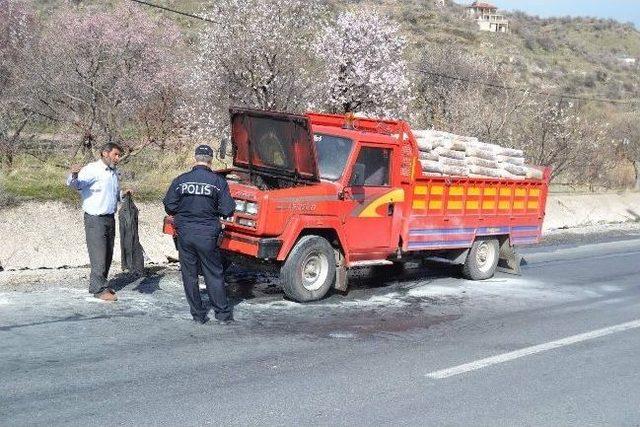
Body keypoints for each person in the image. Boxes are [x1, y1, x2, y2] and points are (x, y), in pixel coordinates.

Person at [163, 144, 235, 324]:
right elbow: (227, 209)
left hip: (185, 234)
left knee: (189, 275)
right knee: (213, 273)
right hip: (207, 234)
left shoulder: (181, 180)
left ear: (195, 158)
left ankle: (198, 315)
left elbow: (169, 206)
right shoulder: (218, 182)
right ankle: (222, 315)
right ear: (210, 160)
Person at [67, 142, 129, 302]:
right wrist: (74, 175)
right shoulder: (92, 169)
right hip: (95, 219)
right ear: (105, 153)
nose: (118, 158)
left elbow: (113, 195)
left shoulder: (113, 172)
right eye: (116, 154)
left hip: (109, 218)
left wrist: (123, 194)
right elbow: (76, 184)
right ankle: (98, 289)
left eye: (119, 155)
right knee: (99, 255)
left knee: (108, 254)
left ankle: (102, 284)